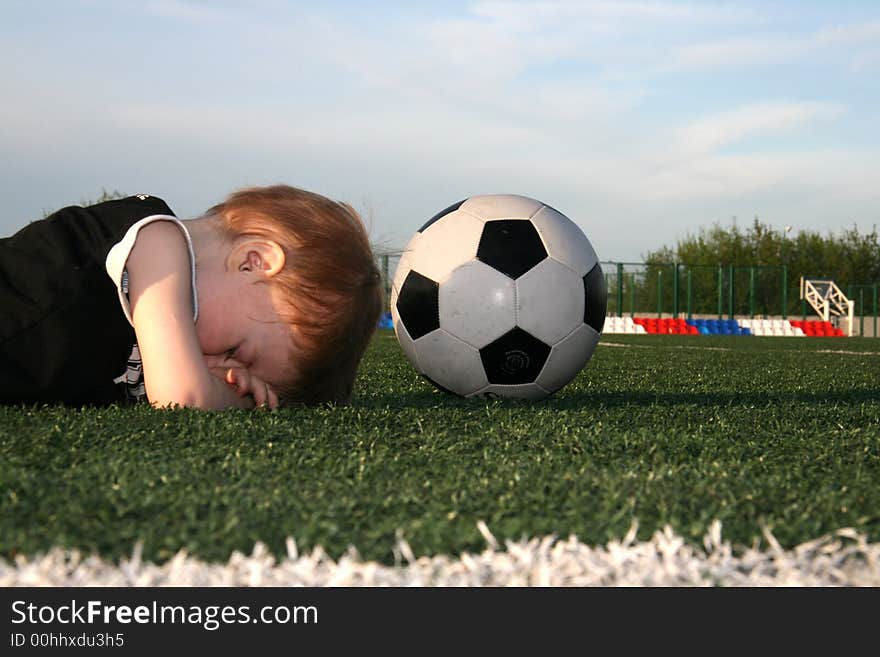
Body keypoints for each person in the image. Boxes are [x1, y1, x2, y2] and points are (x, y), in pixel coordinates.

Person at [0, 185, 383, 409]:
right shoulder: (158, 243)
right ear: (254, 262)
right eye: (237, 354)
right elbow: (181, 395)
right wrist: (240, 400)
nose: (227, 370)